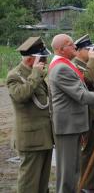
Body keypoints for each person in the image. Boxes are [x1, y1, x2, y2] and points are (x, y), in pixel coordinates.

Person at [48, 34, 94, 193]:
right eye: (70, 44)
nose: (74, 46)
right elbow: (81, 94)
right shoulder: (61, 67)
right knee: (67, 171)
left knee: (73, 169)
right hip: (68, 126)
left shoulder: (65, 64)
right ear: (61, 49)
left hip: (72, 124)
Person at [6, 37, 53, 193]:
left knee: (42, 181)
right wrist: (35, 74)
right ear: (31, 59)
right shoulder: (15, 75)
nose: (45, 61)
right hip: (30, 139)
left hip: (44, 136)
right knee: (29, 183)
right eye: (43, 58)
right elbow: (20, 96)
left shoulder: (37, 74)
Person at [72, 34, 94, 193]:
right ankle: (86, 184)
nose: (91, 51)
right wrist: (93, 60)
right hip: (89, 115)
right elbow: (88, 79)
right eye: (87, 49)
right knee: (89, 152)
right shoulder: (77, 66)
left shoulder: (89, 64)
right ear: (78, 51)